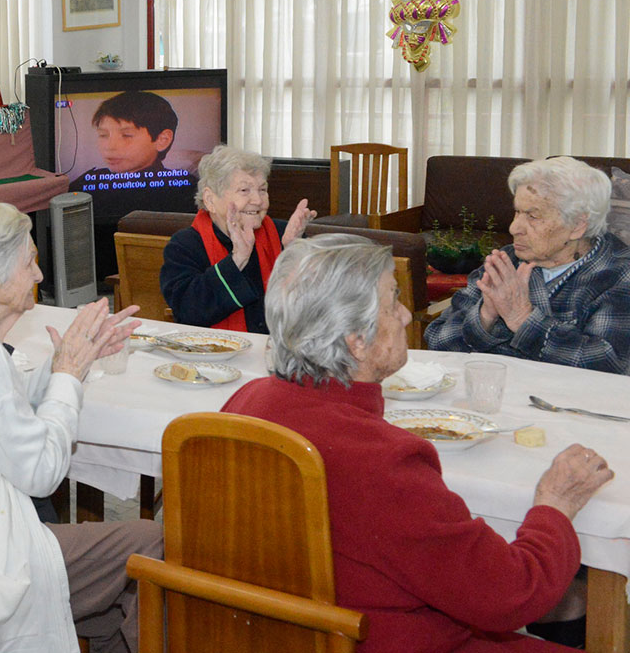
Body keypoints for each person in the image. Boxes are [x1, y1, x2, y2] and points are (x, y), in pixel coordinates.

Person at [223, 234, 613, 652]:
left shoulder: (244, 404)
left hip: (270, 634)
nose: (407, 315)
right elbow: (509, 597)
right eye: (392, 300)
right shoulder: (380, 460)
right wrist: (554, 506)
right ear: (356, 338)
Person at [0, 201, 163, 653]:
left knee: (120, 593)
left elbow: (2, 413)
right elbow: (42, 474)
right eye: (29, 262)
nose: (39, 276)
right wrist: (69, 377)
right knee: (154, 543)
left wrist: (64, 365)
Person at [426, 156, 630, 374]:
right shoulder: (508, 261)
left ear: (578, 226)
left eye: (533, 216)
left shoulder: (617, 273)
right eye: (517, 212)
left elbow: (607, 364)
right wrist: (486, 316)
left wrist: (522, 319)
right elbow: (437, 341)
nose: (514, 228)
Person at [160, 145, 316, 333]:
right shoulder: (186, 245)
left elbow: (318, 306)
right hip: (211, 356)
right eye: (244, 190)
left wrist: (294, 252)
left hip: (277, 354)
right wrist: (237, 260)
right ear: (210, 200)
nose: (258, 200)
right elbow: (189, 311)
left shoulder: (284, 234)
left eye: (262, 190)